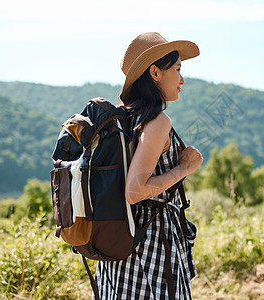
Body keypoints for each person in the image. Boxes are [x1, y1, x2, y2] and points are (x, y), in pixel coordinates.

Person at [94, 32, 203, 299]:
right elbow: (134, 190)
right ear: (155, 73)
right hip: (149, 245)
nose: (182, 79)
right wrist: (184, 168)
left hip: (118, 242)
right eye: (177, 69)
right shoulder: (157, 122)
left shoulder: (122, 120)